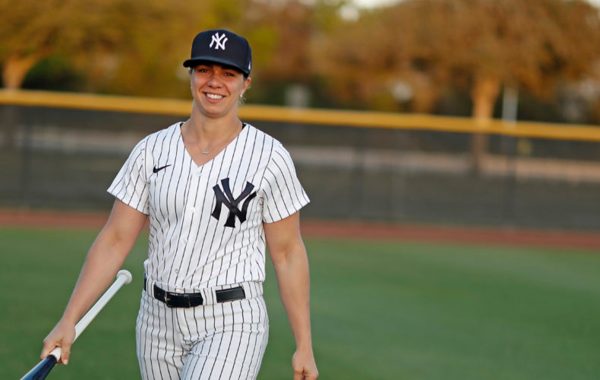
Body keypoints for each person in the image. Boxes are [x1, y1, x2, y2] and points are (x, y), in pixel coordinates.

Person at [41, 29, 319, 380]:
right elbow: (114, 239)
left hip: (231, 319)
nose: (214, 82)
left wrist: (304, 344)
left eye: (228, 73)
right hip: (156, 321)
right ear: (191, 75)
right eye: (204, 69)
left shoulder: (270, 157)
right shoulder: (151, 150)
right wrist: (69, 319)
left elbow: (288, 252)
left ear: (246, 83)